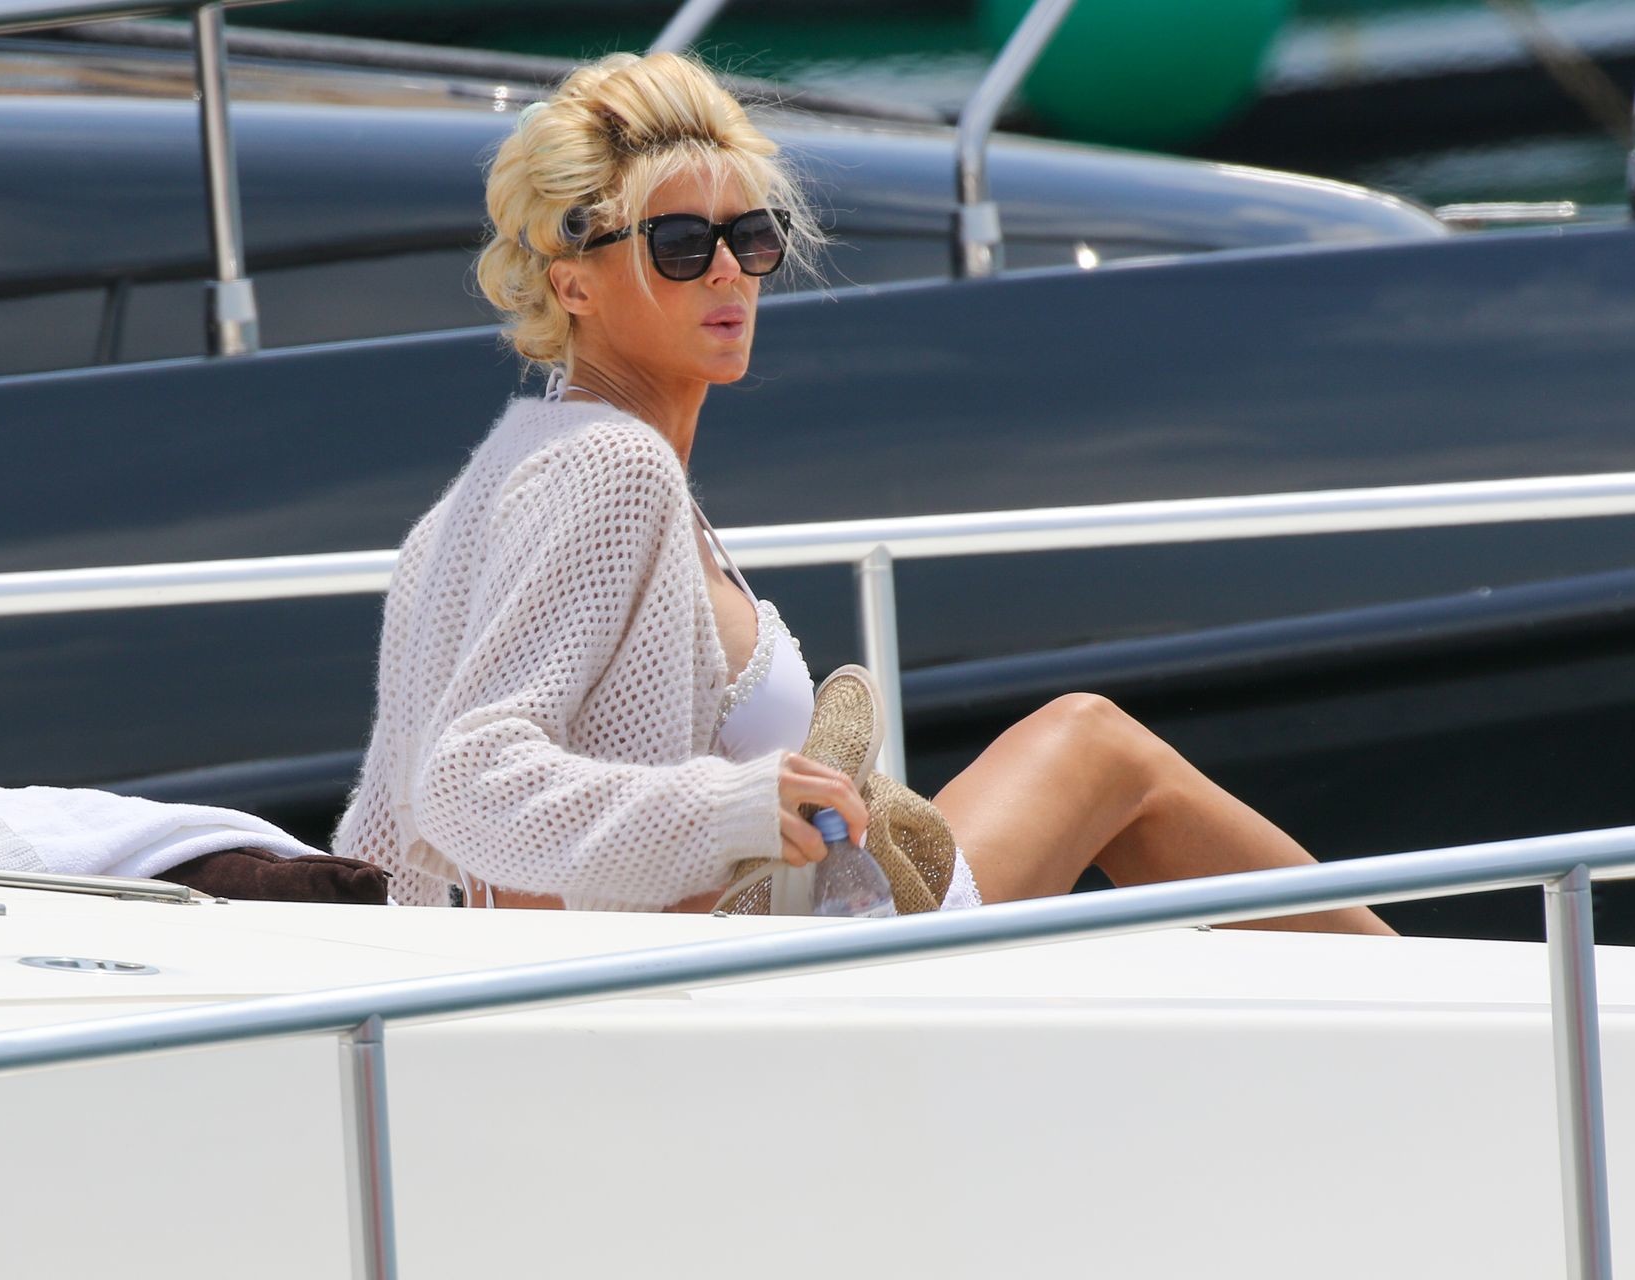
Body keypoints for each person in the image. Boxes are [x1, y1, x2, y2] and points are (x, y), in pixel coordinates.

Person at [331, 49, 1395, 935]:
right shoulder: (611, 467)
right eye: (680, 245)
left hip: (734, 955)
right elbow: (462, 781)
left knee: (1094, 744)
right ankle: (1459, 1017)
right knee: (1099, 745)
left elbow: (386, 837)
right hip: (750, 979)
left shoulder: (485, 491)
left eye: (750, 238)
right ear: (573, 283)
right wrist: (741, 805)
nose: (729, 273)